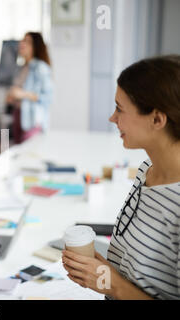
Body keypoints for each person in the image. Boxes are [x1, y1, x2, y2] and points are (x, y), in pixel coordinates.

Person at [62, 55, 180, 299]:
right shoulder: (147, 169)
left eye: (119, 108)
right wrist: (100, 270)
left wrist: (111, 283)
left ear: (157, 119)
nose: (112, 118)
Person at [6, 32, 53, 144]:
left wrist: (22, 94)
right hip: (18, 115)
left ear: (35, 46)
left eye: (27, 41)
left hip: (33, 120)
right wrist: (12, 97)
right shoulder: (21, 68)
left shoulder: (41, 68)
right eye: (22, 40)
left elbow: (48, 98)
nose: (22, 43)